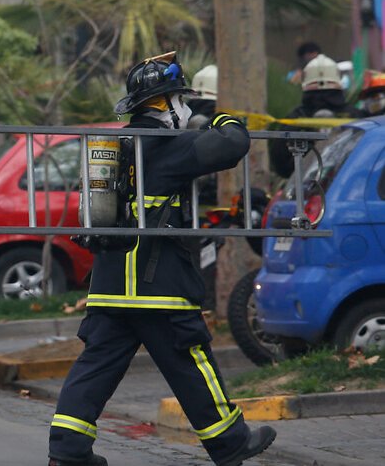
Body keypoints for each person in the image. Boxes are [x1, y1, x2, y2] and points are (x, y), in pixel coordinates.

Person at [48, 52, 276, 466]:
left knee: (94, 369)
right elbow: (230, 146)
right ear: (167, 104)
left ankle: (67, 452)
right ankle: (230, 443)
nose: (185, 108)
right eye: (181, 101)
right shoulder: (168, 145)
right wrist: (221, 118)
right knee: (192, 364)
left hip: (112, 288)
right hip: (159, 287)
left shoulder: (116, 146)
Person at [269, 53, 361, 178]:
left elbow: (279, 160)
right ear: (338, 82)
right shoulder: (355, 116)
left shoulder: (295, 118)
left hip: (302, 190)